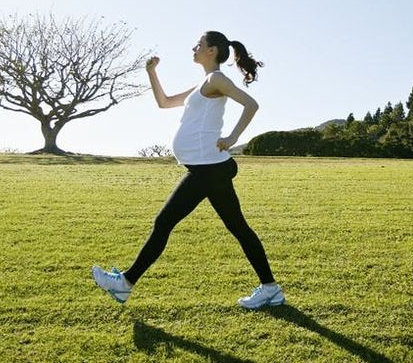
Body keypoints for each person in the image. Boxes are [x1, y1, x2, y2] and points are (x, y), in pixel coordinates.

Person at [92, 31, 284, 310]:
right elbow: (165, 102)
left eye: (199, 44)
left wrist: (232, 138)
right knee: (238, 227)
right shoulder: (203, 84)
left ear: (212, 51)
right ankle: (270, 289)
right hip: (208, 169)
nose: (194, 48)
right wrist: (151, 72)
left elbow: (251, 105)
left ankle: (125, 283)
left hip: (207, 168)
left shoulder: (217, 79)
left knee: (164, 222)